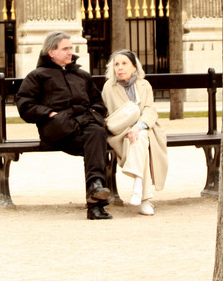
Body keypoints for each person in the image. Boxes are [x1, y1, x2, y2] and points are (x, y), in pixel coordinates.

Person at [16, 31, 114, 220]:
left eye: (71, 48)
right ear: (51, 52)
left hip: (84, 126)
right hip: (57, 130)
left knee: (95, 134)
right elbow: (25, 106)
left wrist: (94, 112)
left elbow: (98, 102)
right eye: (66, 48)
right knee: (96, 139)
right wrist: (49, 114)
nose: (71, 52)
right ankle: (96, 203)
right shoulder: (37, 76)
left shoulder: (82, 75)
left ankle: (96, 189)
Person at [101, 50, 168, 216]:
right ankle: (145, 198)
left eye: (124, 64)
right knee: (139, 142)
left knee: (140, 139)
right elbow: (107, 114)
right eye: (117, 64)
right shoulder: (109, 87)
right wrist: (130, 128)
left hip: (143, 129)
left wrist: (138, 126)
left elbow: (149, 110)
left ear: (134, 67)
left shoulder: (144, 85)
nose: (120, 68)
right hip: (120, 134)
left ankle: (139, 188)